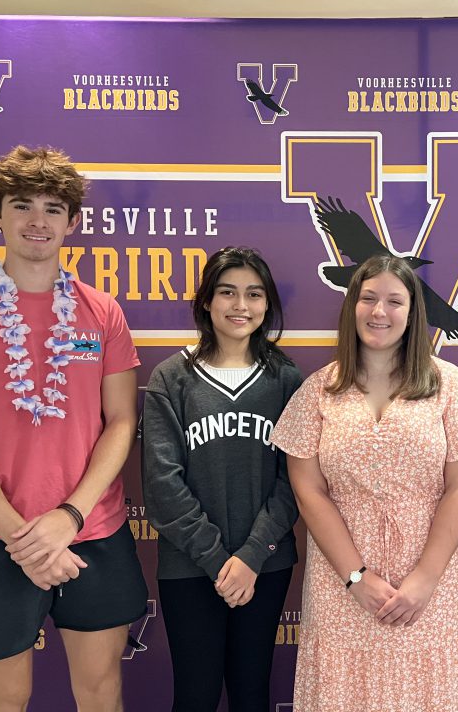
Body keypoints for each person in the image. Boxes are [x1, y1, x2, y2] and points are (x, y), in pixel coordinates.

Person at [0, 145, 147, 711]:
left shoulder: (103, 313)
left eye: (53, 208)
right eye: (22, 205)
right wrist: (28, 541)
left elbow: (120, 422)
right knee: (2, 701)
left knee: (100, 691)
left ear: (73, 222)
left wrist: (68, 518)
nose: (38, 221)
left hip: (92, 533)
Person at [271, 253, 458, 712]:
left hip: (436, 582)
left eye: (395, 301)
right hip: (343, 585)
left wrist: (425, 578)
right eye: (368, 299)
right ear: (351, 307)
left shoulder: (448, 383)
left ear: (414, 313)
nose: (380, 312)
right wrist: (355, 576)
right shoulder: (320, 389)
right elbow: (308, 489)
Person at [141, 246, 302, 712]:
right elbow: (161, 484)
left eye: (254, 295)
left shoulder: (286, 379)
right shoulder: (171, 378)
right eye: (227, 292)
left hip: (264, 565)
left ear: (267, 305)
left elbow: (295, 480)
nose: (240, 306)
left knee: (252, 692)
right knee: (195, 694)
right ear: (206, 301)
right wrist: (217, 560)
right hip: (190, 568)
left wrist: (251, 556)